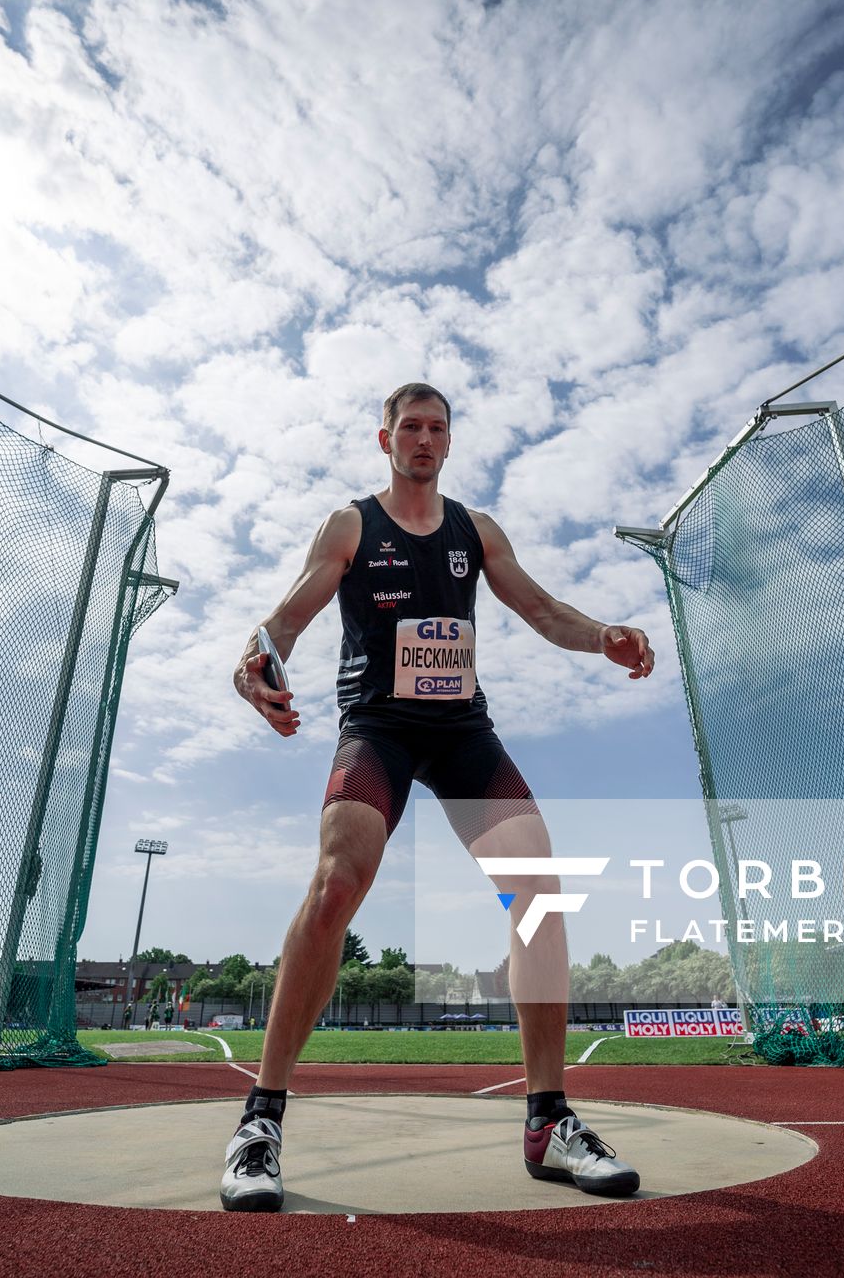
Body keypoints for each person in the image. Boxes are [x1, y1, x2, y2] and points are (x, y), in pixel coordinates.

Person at [220, 383, 655, 1212]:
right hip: (379, 729)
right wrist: (257, 658)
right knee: (337, 884)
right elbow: (290, 613)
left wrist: (602, 634)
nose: (424, 439)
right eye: (410, 427)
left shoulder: (475, 530)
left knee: (538, 889)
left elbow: (537, 606)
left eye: (438, 428)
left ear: (450, 443)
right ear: (385, 438)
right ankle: (261, 1121)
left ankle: (549, 1120)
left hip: (461, 733)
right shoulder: (352, 524)